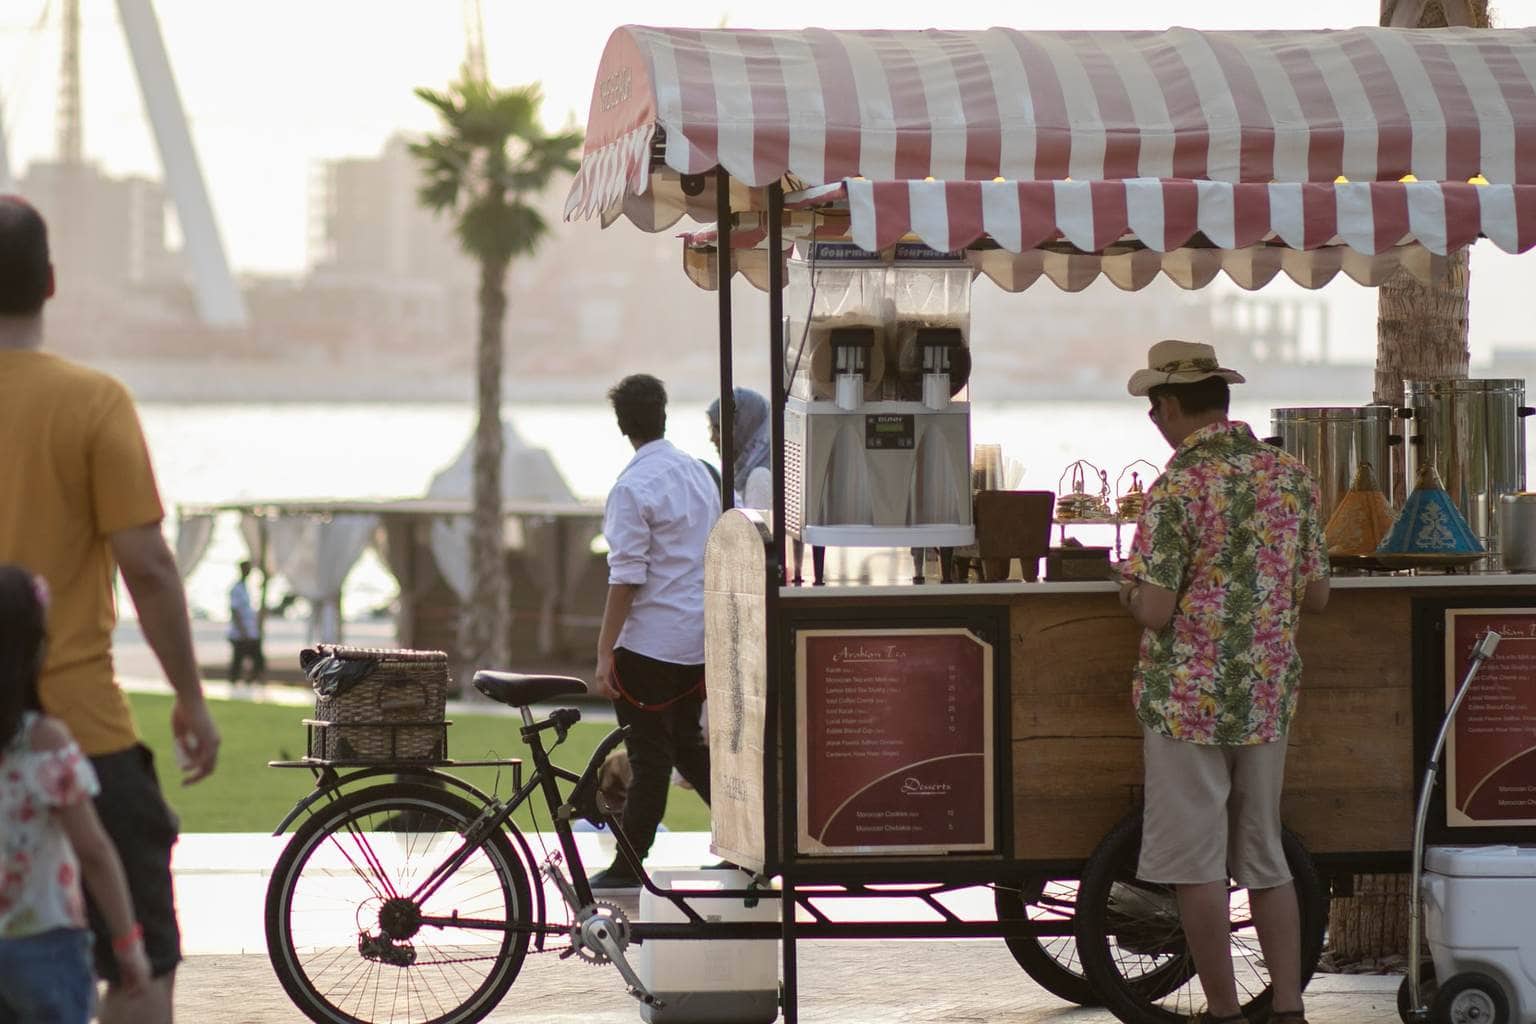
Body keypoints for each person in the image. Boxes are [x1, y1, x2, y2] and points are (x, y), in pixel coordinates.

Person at [0, 195, 220, 1023]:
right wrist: (192, 698)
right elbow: (150, 570)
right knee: (141, 970)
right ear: (50, 283)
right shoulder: (94, 402)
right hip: (84, 734)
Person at [1118, 339, 1329, 1024]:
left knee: (1196, 860)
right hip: (1265, 696)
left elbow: (1154, 608)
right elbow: (1318, 594)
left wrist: (1125, 593)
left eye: (1155, 410)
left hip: (1187, 702)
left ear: (1172, 406)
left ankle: (1224, 1011)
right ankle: (1290, 1006)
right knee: (1265, 853)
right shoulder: (1291, 476)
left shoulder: (1177, 486)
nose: (1156, 422)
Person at [0, 567, 152, 1023]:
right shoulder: (44, 742)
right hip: (47, 947)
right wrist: (127, 943)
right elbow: (94, 850)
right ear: (37, 650)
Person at [589, 374, 720, 891]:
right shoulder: (699, 474)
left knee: (650, 758)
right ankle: (749, 841)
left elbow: (626, 576)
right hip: (694, 642)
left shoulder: (631, 488)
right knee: (687, 747)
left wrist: (603, 653)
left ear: (623, 426)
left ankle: (627, 863)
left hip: (647, 648)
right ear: (663, 414)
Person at [705, 386, 772, 510]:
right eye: (712, 429)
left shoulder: (759, 477)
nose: (713, 439)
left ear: (745, 427)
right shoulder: (743, 473)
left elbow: (755, 529)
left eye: (719, 429)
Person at [227, 560, 265, 685]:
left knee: (256, 658)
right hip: (240, 632)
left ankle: (252, 680)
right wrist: (243, 631)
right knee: (238, 659)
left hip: (250, 630)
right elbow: (235, 611)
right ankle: (234, 681)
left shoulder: (246, 588)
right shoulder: (236, 589)